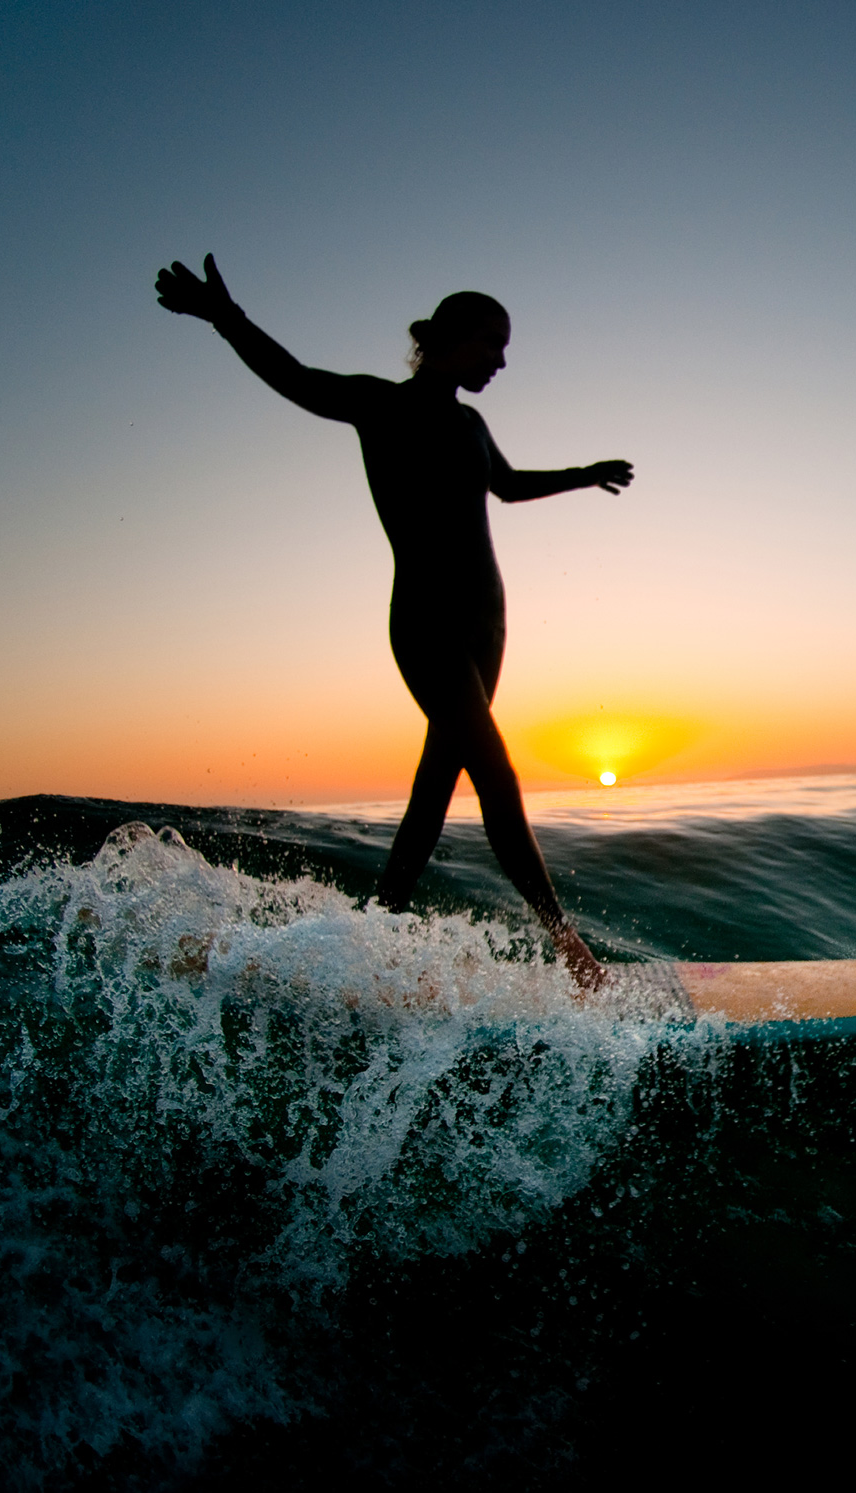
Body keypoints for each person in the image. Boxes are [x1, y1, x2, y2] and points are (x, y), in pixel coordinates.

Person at [154, 254, 629, 991]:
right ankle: (570, 947)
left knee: (434, 794)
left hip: (487, 630)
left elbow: (505, 485)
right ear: (449, 337)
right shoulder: (381, 405)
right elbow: (294, 377)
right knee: (495, 772)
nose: (503, 359)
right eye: (492, 343)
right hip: (427, 625)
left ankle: (374, 933)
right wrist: (225, 317)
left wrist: (584, 472)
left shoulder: (471, 422)